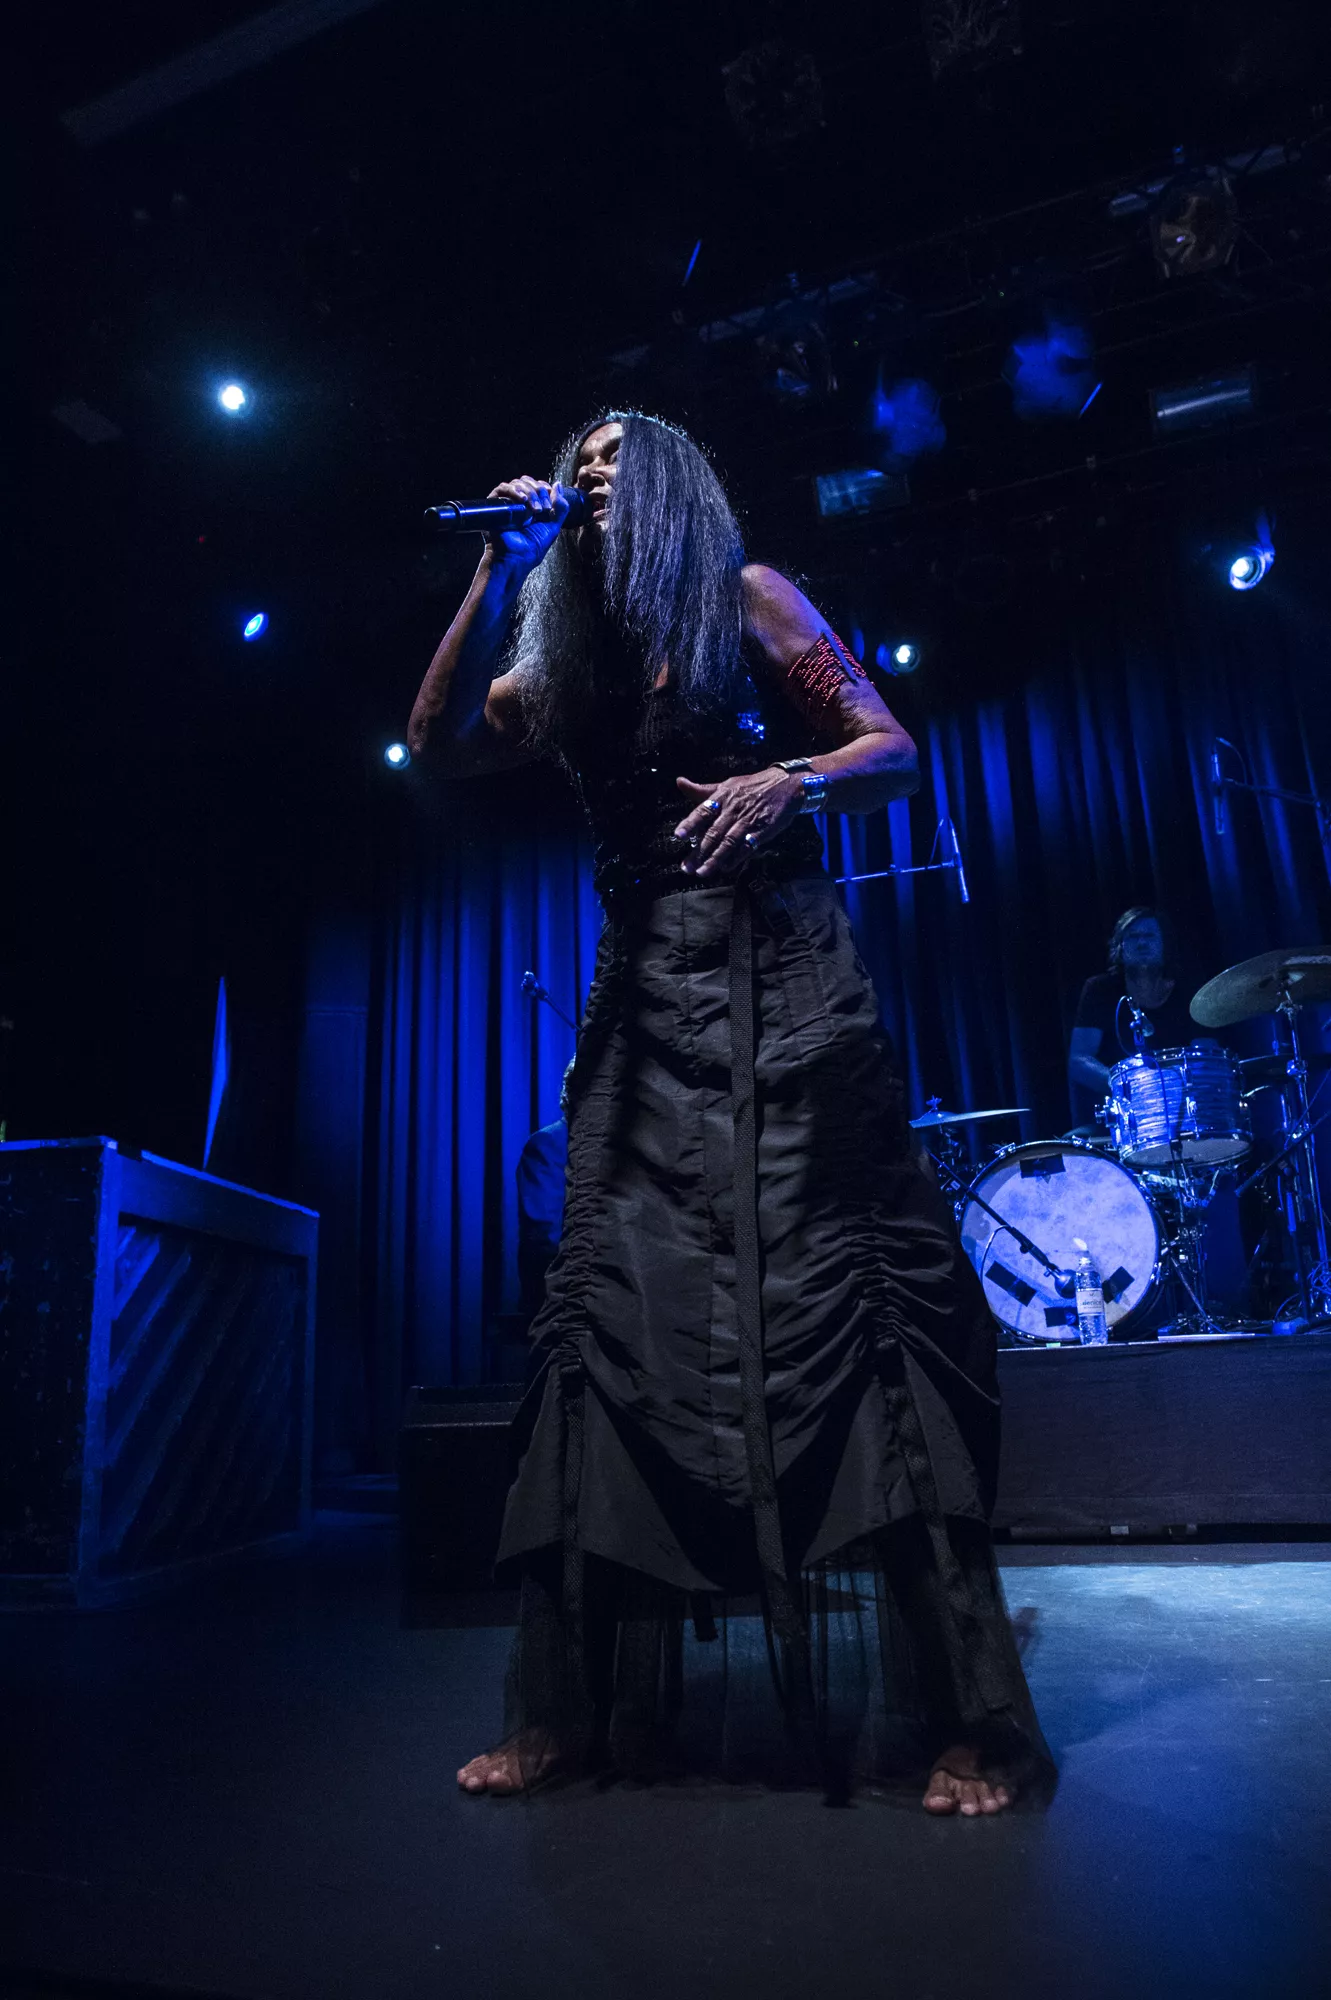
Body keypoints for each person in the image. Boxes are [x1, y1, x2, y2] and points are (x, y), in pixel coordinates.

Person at [408, 411, 1053, 1815]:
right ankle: (561, 1712)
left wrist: (787, 778)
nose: (588, 473)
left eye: (613, 457)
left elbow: (891, 749)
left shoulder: (745, 598)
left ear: (673, 485)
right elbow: (438, 745)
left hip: (786, 982)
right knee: (604, 1320)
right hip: (644, 1001)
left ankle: (970, 1719)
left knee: (860, 1315)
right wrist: (493, 569)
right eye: (575, 461)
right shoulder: (563, 652)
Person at [1068, 907, 1196, 1127]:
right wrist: (1129, 1087)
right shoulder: (1100, 989)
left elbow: (1205, 1054)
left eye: (1149, 936)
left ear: (1165, 944)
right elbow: (1079, 1060)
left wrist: (1169, 1089)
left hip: (1185, 1112)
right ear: (1120, 946)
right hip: (1122, 1117)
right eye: (1133, 937)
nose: (1142, 943)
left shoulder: (1188, 990)